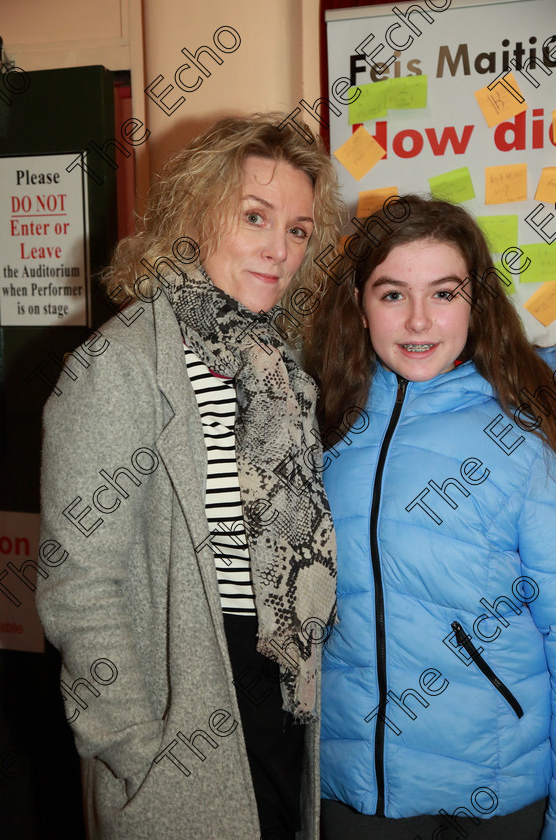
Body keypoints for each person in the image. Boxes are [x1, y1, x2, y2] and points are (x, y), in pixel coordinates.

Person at [36, 113, 343, 840]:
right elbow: (77, 584)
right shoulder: (119, 366)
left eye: (298, 230)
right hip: (183, 704)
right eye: (255, 217)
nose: (279, 249)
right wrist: (138, 752)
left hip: (277, 695)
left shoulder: (277, 367)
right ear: (195, 211)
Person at [303, 194, 556, 840]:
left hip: (495, 791)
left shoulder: (523, 434)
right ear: (359, 305)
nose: (418, 321)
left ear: (477, 304)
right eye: (392, 295)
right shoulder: (317, 429)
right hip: (356, 790)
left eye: (444, 293)